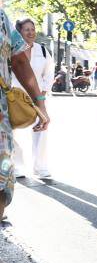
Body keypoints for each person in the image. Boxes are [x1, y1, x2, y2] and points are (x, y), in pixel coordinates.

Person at [0, 8, 50, 263]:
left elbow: (20, 61)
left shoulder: (1, 18)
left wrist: (39, 102)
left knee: (0, 181)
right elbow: (19, 61)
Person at [11, 19, 54, 179]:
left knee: (41, 128)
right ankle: (17, 165)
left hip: (37, 96)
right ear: (19, 33)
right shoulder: (12, 50)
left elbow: (48, 74)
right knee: (13, 131)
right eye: (26, 29)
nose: (31, 32)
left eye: (33, 29)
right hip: (15, 96)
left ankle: (40, 166)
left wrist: (41, 96)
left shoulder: (42, 50)